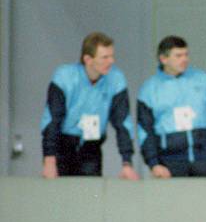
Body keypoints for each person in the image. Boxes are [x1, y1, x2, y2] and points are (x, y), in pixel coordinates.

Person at [40, 32, 139, 179]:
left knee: (90, 195)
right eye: (105, 57)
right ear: (88, 59)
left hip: (91, 148)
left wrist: (127, 163)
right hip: (62, 147)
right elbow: (52, 119)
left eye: (112, 56)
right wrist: (49, 159)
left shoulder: (116, 79)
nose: (111, 61)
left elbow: (123, 122)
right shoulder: (64, 77)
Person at [137, 36, 206, 178]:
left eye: (186, 54)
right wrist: (153, 164)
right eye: (178, 55)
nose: (184, 59)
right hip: (169, 163)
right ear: (163, 59)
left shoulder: (203, 80)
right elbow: (145, 130)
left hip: (203, 159)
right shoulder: (149, 89)